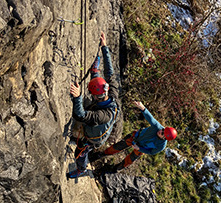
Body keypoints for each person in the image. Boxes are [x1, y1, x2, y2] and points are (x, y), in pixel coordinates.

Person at [67, 31, 120, 179]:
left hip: (94, 137)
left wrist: (78, 97)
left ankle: (81, 169)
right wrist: (105, 48)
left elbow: (81, 115)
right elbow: (110, 72)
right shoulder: (111, 92)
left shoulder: (103, 115)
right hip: (99, 120)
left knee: (80, 152)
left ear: (97, 96)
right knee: (95, 79)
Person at [90, 101, 177, 172]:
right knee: (117, 147)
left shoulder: (161, 145)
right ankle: (102, 154)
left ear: (164, 138)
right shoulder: (157, 127)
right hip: (135, 137)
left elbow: (152, 152)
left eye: (162, 133)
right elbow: (151, 118)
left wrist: (140, 149)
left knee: (129, 160)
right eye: (163, 129)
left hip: (141, 147)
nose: (160, 131)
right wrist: (143, 108)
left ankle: (115, 169)